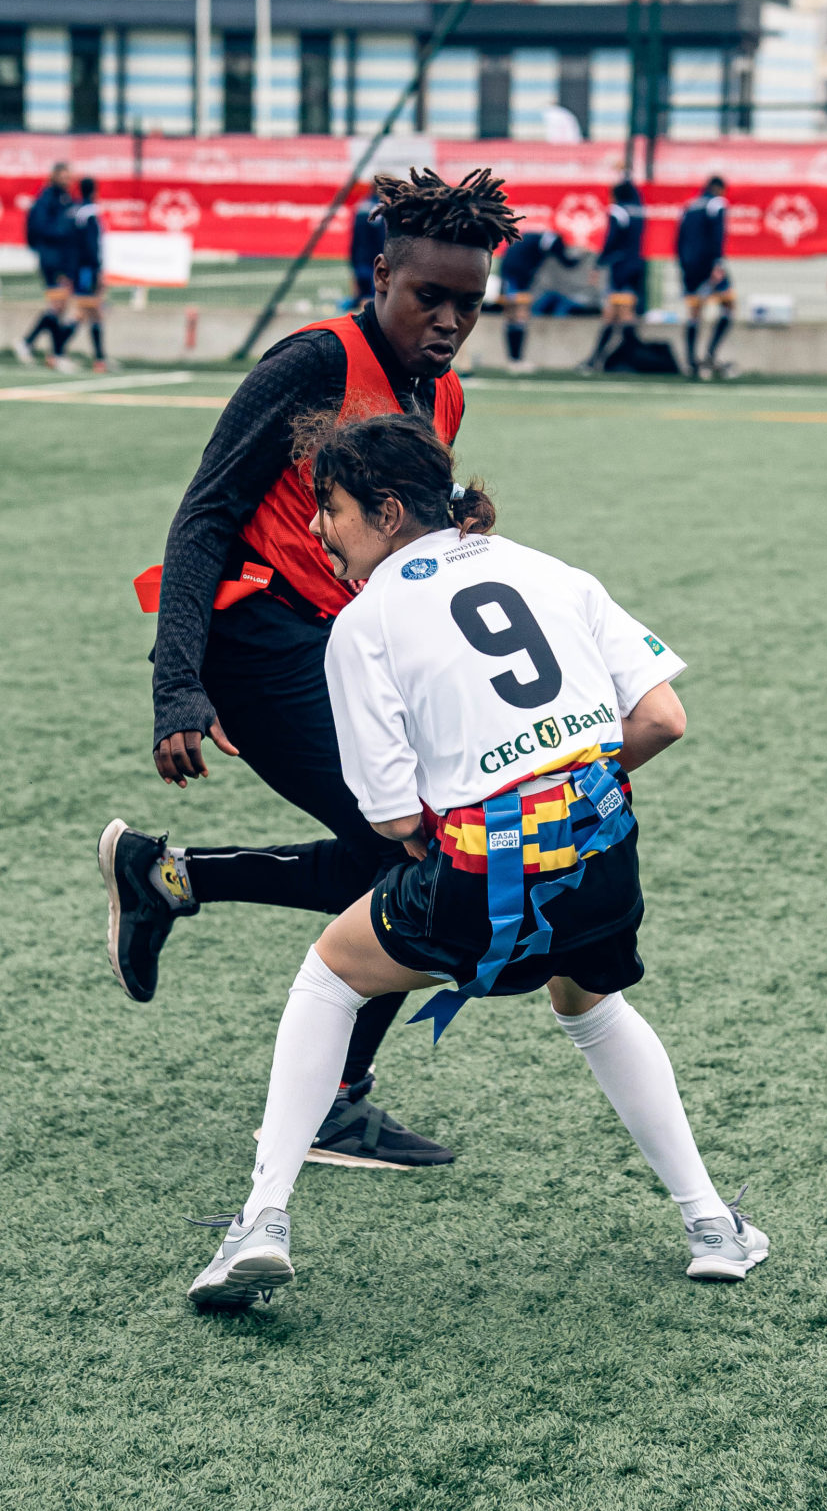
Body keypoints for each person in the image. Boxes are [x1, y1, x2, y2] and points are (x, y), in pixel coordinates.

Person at [187, 413, 768, 1311]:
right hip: (605, 857)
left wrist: (457, 826)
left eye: (328, 508)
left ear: (385, 513)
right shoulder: (552, 571)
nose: (316, 530)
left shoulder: (364, 620)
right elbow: (661, 720)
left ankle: (259, 1223)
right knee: (590, 1003)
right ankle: (711, 1227)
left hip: (488, 875)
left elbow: (385, 812)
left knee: (331, 974)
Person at [99, 168, 522, 1172]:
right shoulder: (313, 363)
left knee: (425, 848)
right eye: (433, 296)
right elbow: (203, 514)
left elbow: (402, 537)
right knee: (419, 857)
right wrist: (180, 687)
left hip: (347, 648)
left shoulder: (442, 390)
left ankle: (167, 878)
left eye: (472, 302)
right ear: (381, 276)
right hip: (260, 644)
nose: (453, 319)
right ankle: (335, 1102)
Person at [14, 162, 78, 371]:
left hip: (60, 258)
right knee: (58, 304)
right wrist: (51, 245)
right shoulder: (47, 199)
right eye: (63, 177)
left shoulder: (65, 199)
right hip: (52, 259)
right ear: (54, 176)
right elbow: (39, 228)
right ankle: (48, 350)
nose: (67, 181)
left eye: (69, 177)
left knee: (58, 306)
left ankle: (40, 348)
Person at [676, 175, 735, 380]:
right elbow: (718, 233)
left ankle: (691, 362)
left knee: (694, 312)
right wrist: (718, 262)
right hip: (709, 265)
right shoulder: (716, 204)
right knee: (728, 304)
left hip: (689, 267)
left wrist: (683, 266)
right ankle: (710, 354)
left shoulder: (689, 206)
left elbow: (679, 239)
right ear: (718, 188)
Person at [584, 178, 647, 370]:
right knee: (625, 313)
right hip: (637, 264)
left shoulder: (618, 212)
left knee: (615, 314)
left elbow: (611, 239)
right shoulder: (638, 210)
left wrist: (599, 263)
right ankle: (610, 359)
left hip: (620, 267)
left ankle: (602, 360)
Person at [496, 226, 578, 371]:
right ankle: (515, 360)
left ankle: (515, 359)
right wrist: (579, 258)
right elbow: (565, 260)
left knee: (516, 317)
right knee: (518, 316)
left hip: (513, 276)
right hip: (515, 278)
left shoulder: (534, 239)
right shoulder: (548, 241)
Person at [69, 176, 109, 373]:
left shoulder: (77, 211)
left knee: (91, 312)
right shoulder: (89, 213)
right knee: (87, 311)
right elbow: (92, 246)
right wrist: (98, 269)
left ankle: (100, 358)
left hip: (81, 268)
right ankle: (57, 351)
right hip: (87, 270)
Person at [349, 186, 385, 308]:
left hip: (360, 258)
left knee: (361, 298)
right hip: (375, 261)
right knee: (372, 301)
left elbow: (354, 237)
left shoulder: (361, 206)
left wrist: (353, 261)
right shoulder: (380, 209)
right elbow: (382, 237)